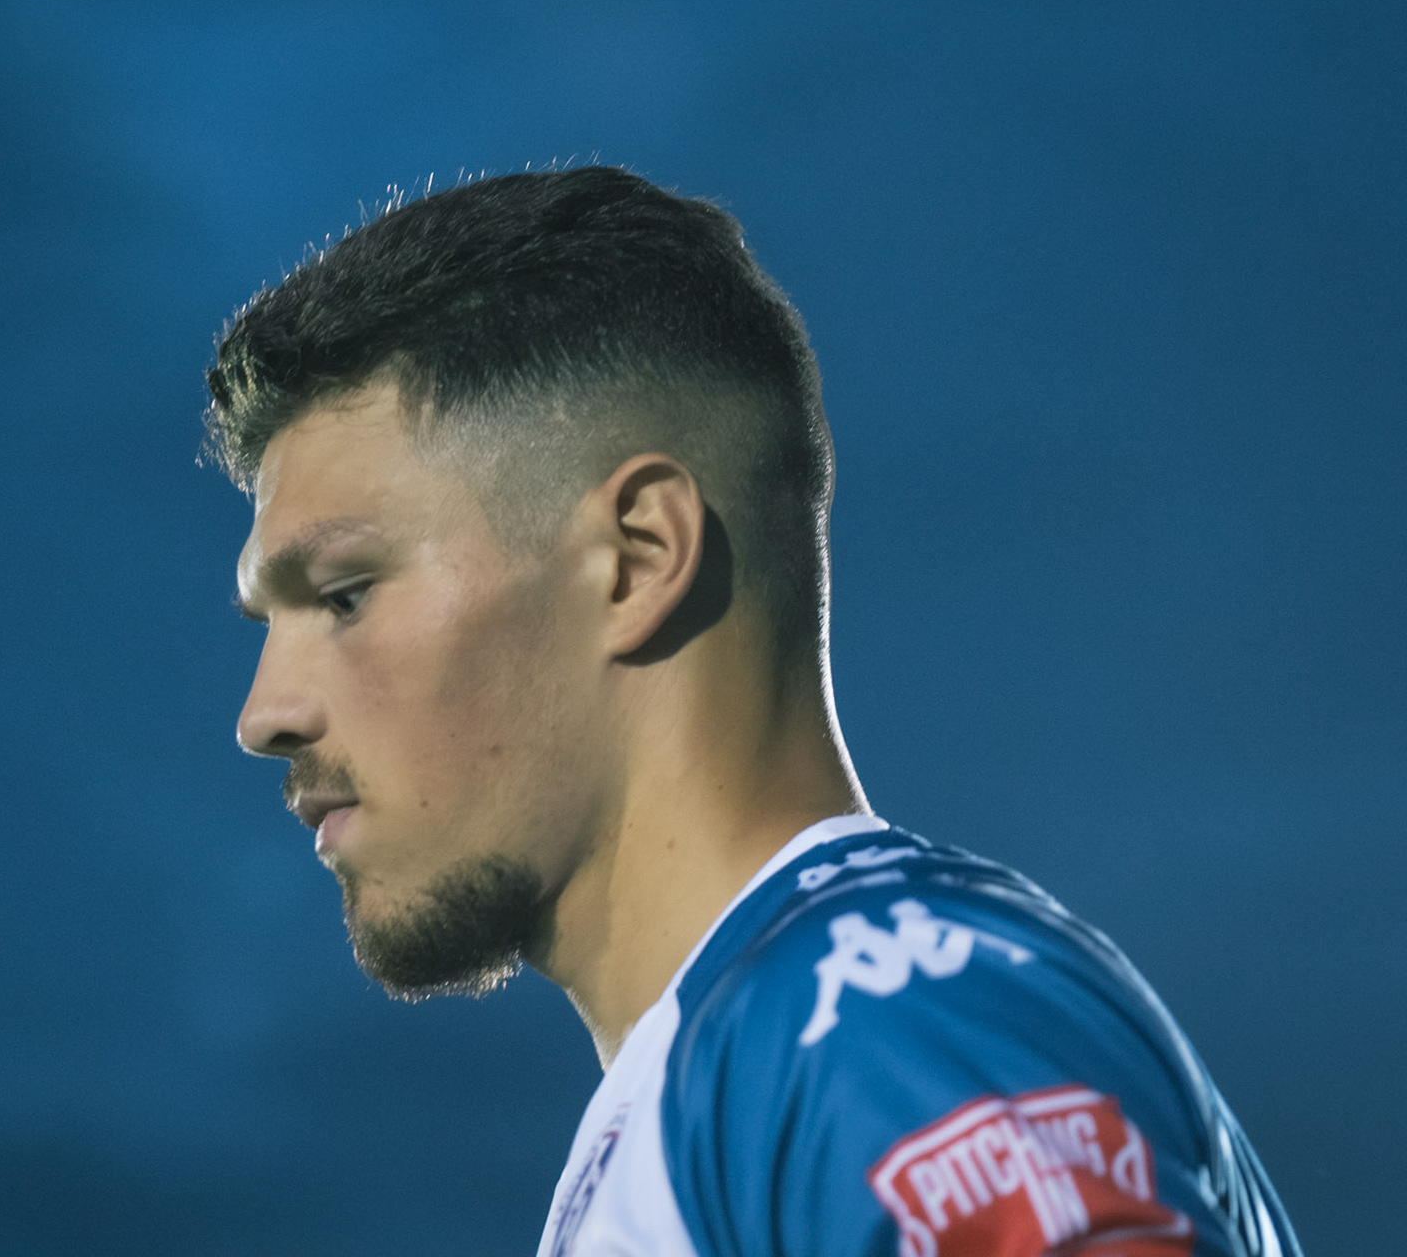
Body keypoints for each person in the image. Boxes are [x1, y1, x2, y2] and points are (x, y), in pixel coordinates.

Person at [206, 167, 1300, 1257]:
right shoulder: (755, 1064)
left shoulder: (874, 1010)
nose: (265, 714)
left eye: (344, 595)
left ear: (637, 558)